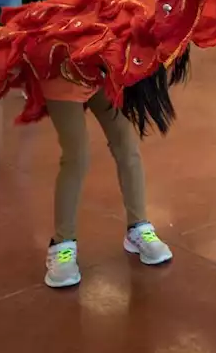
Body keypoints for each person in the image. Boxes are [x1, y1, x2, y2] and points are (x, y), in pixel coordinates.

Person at [42, 86, 173, 288]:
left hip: (99, 72)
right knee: (76, 156)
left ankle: (138, 226)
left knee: (127, 144)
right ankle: (62, 244)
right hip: (60, 75)